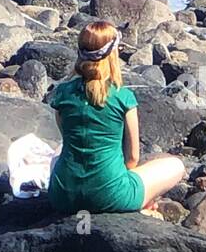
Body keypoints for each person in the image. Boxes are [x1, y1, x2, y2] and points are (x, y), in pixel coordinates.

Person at [47, 19, 185, 214]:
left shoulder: (63, 93)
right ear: (113, 54)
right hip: (110, 196)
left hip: (62, 196)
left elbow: (68, 139)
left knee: (60, 150)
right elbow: (132, 158)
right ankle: (142, 200)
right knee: (176, 165)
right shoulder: (123, 97)